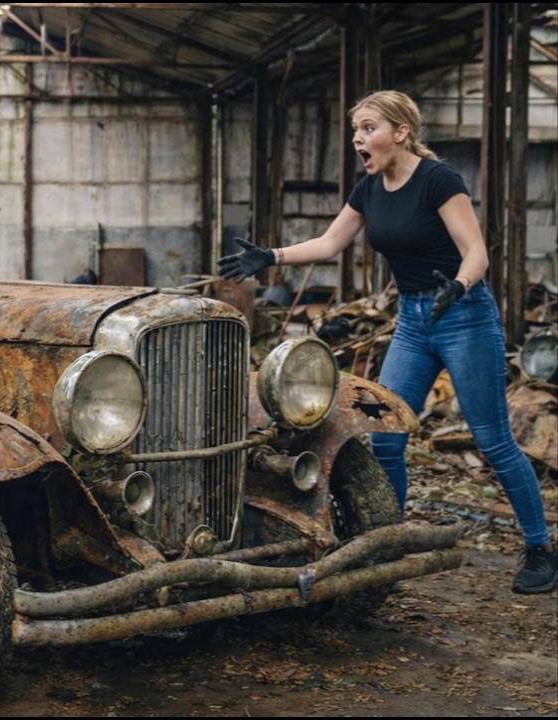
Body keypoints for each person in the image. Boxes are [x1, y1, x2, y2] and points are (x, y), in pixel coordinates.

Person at [219, 90, 556, 594]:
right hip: (414, 320)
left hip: (463, 314)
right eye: (356, 129)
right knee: (385, 436)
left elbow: (476, 252)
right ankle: (388, 544)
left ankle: (539, 547)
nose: (359, 137)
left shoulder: (438, 180)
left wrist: (459, 286)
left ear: (401, 132)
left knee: (492, 439)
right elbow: (330, 243)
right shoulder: (370, 186)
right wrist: (271, 254)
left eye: (369, 127)